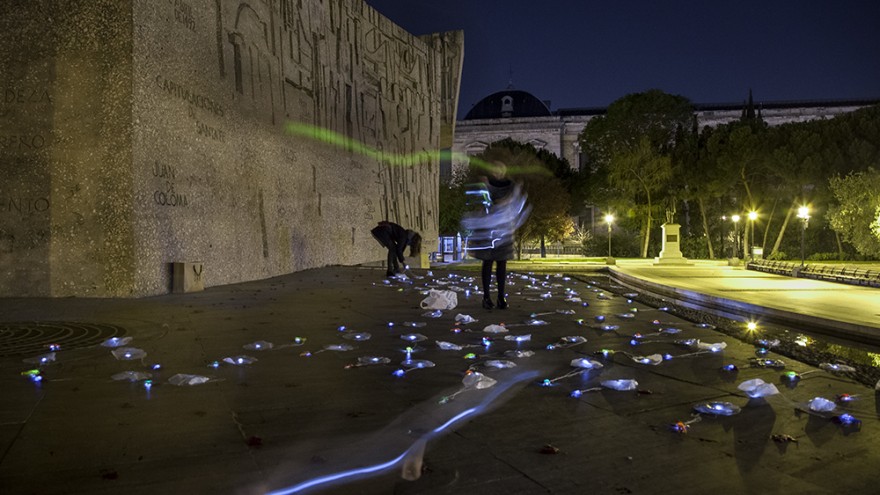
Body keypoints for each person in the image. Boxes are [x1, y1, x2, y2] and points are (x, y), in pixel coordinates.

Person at [462, 163, 528, 310]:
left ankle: (501, 296)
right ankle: (486, 297)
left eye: (500, 170)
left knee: (501, 264)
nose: (497, 173)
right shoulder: (485, 184)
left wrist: (514, 192)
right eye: (494, 170)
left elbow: (511, 201)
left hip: (503, 231)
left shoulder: (510, 185)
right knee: (487, 263)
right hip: (488, 231)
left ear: (504, 171)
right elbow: (478, 202)